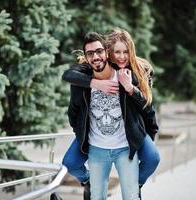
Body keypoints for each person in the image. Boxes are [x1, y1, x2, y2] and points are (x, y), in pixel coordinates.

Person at [62, 28, 160, 199]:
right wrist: (95, 84)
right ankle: (88, 182)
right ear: (111, 53)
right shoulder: (86, 74)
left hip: (128, 139)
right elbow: (69, 77)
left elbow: (146, 107)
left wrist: (130, 88)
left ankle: (136, 183)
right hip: (97, 145)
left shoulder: (135, 74)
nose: (121, 56)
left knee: (151, 158)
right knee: (71, 164)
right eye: (118, 52)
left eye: (125, 52)